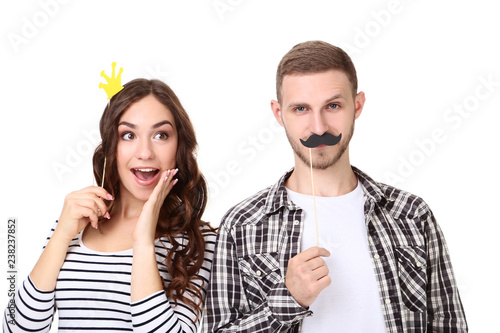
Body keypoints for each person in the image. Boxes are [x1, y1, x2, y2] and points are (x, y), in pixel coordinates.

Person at [203, 41, 467, 332]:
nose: (318, 128)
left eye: (332, 106)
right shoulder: (243, 224)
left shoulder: (412, 214)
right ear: (279, 114)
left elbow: (449, 324)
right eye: (301, 108)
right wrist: (289, 300)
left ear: (357, 105)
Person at [4, 79, 216, 332]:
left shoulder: (199, 242)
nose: (145, 152)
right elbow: (15, 328)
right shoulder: (76, 225)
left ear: (179, 147)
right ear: (111, 149)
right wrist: (61, 234)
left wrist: (143, 241)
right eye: (128, 135)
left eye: (161, 135)